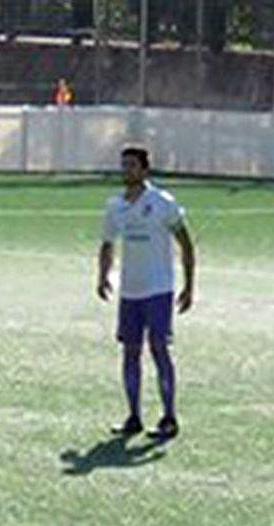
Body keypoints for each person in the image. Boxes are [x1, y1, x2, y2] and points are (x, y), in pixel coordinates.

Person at [97, 144, 195, 440]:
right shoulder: (115, 206)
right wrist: (102, 276)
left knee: (159, 348)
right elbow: (107, 244)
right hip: (130, 292)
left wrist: (189, 286)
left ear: (144, 170)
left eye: (132, 165)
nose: (126, 170)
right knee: (130, 352)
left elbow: (186, 244)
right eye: (123, 165)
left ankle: (169, 416)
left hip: (158, 290)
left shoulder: (162, 202)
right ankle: (134, 416)